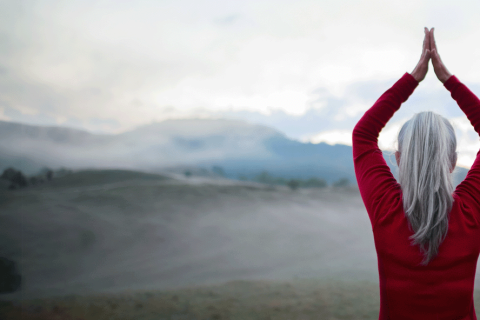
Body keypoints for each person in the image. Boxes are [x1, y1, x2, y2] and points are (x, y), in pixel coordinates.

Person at [353, 27, 480, 319]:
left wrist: (412, 79)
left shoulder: (386, 209)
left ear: (398, 159)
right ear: (452, 162)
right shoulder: (471, 211)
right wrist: (449, 81)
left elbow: (363, 135)